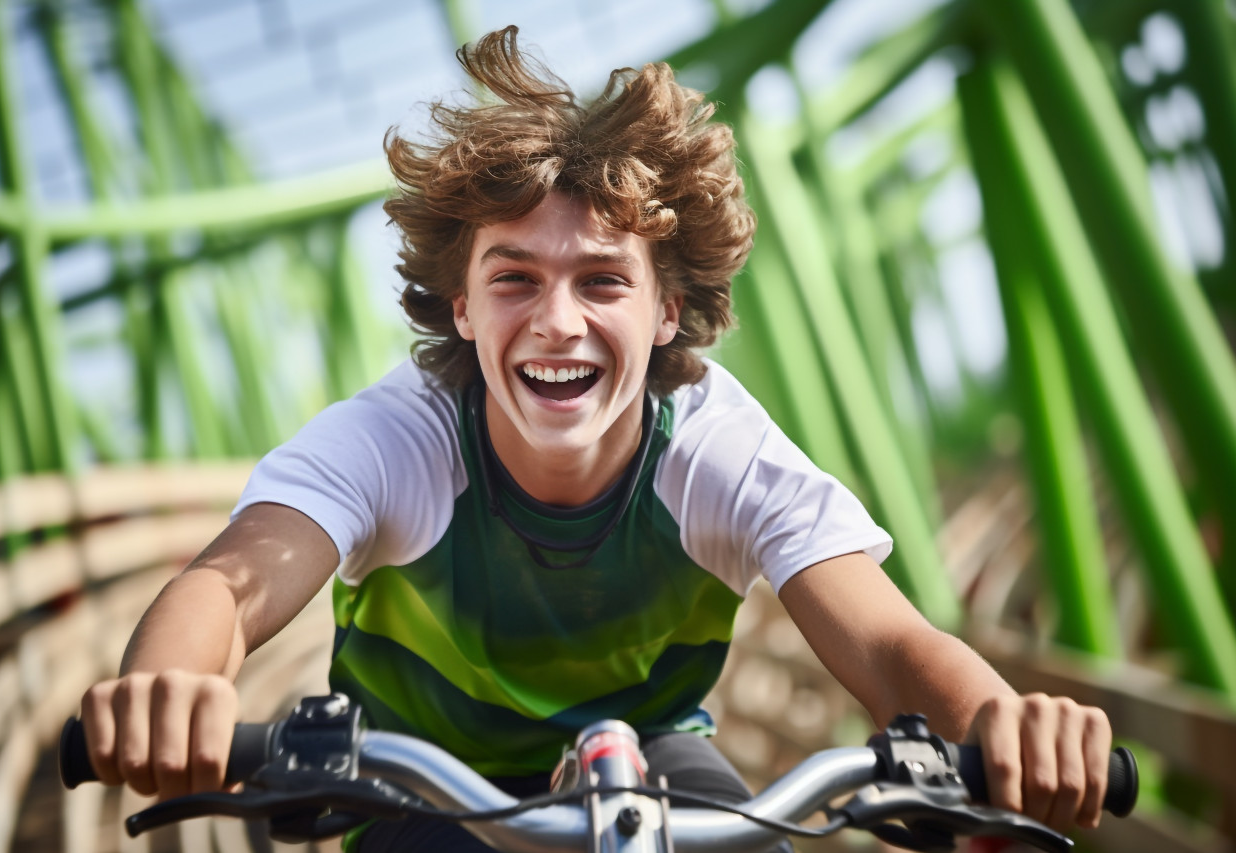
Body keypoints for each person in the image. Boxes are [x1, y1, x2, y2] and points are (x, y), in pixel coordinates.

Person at [78, 25, 1113, 851]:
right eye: (514, 278)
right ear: (460, 309)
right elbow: (228, 582)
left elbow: (888, 642)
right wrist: (179, 687)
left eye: (603, 280)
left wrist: (999, 723)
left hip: (652, 757)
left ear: (668, 311)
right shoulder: (401, 437)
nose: (557, 321)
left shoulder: (712, 446)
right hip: (414, 774)